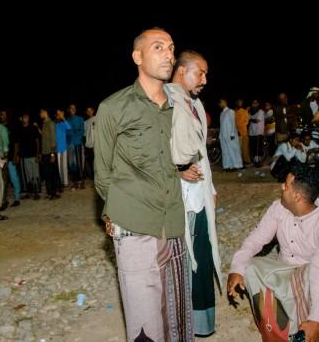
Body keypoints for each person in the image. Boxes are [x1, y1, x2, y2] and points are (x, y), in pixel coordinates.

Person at [94, 28, 192, 341]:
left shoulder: (178, 107)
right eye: (158, 47)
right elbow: (102, 174)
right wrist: (118, 214)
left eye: (171, 48)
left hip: (173, 221)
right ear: (137, 57)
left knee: (176, 315)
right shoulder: (113, 108)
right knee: (144, 322)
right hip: (135, 226)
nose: (168, 54)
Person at [227, 165, 319, 342]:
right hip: (286, 269)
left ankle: (305, 329)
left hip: (318, 276)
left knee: (315, 277)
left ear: (297, 196)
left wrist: (317, 319)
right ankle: (278, 333)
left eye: (286, 185)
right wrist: (237, 268)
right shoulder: (278, 208)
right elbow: (255, 239)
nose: (282, 187)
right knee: (250, 267)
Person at [168, 50, 221, 337]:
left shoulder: (196, 105)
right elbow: (152, 151)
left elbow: (201, 154)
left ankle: (202, 325)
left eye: (206, 74)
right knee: (181, 261)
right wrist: (175, 170)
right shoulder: (163, 102)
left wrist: (210, 188)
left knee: (202, 254)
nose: (204, 80)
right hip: (177, 197)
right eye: (199, 73)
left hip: (199, 194)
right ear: (181, 71)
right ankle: (180, 324)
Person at [219, 98, 243, 171]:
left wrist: (232, 134)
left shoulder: (230, 111)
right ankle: (227, 166)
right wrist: (220, 135)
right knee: (225, 151)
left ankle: (236, 165)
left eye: (221, 102)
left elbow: (233, 123)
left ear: (225, 102)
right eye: (219, 103)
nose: (220, 104)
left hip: (230, 135)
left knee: (233, 150)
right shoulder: (222, 113)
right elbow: (221, 125)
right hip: (223, 135)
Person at [67, 104, 86, 189]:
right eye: (71, 108)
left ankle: (82, 181)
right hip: (70, 144)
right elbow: (67, 133)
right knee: (71, 164)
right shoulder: (67, 120)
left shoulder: (80, 118)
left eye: (74, 108)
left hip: (78, 143)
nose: (73, 109)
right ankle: (75, 182)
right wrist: (74, 131)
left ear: (76, 109)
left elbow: (82, 131)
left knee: (79, 163)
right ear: (69, 110)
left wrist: (73, 131)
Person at [248, 99, 265, 166]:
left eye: (255, 103)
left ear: (258, 104)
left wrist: (250, 119)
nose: (254, 105)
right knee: (253, 148)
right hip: (252, 132)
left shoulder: (260, 111)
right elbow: (248, 119)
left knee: (258, 148)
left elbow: (257, 121)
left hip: (258, 132)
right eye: (253, 103)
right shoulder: (250, 112)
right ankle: (255, 161)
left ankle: (259, 161)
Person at [235, 99, 251, 165]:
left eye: (241, 102)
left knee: (245, 147)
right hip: (237, 133)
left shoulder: (245, 111)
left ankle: (246, 161)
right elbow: (233, 123)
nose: (239, 104)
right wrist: (237, 130)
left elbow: (246, 122)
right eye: (238, 102)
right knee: (238, 148)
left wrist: (240, 128)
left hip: (244, 132)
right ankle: (240, 162)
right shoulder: (234, 112)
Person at [83, 107, 96, 180]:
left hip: (96, 144)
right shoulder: (85, 122)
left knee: (97, 161)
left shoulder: (97, 118)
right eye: (88, 111)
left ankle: (97, 176)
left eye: (90, 110)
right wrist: (85, 145)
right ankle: (92, 176)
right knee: (90, 161)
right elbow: (84, 135)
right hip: (88, 145)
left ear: (93, 111)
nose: (89, 112)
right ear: (86, 112)